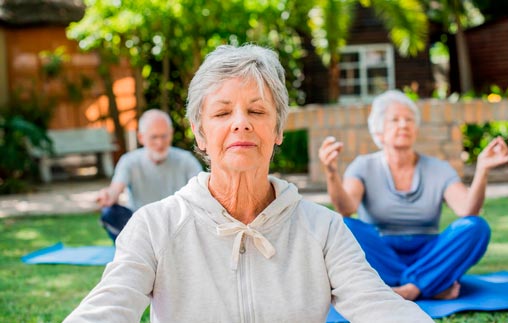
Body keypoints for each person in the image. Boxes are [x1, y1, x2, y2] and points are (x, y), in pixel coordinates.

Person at [64, 45, 432, 322]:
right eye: (222, 112)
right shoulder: (154, 226)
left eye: (256, 111)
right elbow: (106, 309)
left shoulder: (324, 229)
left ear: (278, 129)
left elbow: (380, 306)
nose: (240, 123)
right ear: (200, 132)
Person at [319, 89, 508, 301]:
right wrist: (331, 172)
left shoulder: (439, 168)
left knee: (476, 227)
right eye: (395, 120)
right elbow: (346, 208)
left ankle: (406, 290)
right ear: (379, 131)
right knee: (345, 225)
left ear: (416, 129)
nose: (403, 125)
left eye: (409, 120)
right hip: (382, 255)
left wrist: (482, 169)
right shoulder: (363, 166)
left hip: (430, 253)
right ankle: (431, 286)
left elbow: (468, 210)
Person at [96, 109, 202, 242]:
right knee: (109, 213)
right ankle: (132, 250)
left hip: (177, 225)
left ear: (171, 134)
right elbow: (115, 190)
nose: (160, 143)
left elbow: (201, 194)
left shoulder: (186, 160)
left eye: (164, 136)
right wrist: (107, 195)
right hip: (142, 227)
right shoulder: (129, 161)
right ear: (141, 137)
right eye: (154, 137)